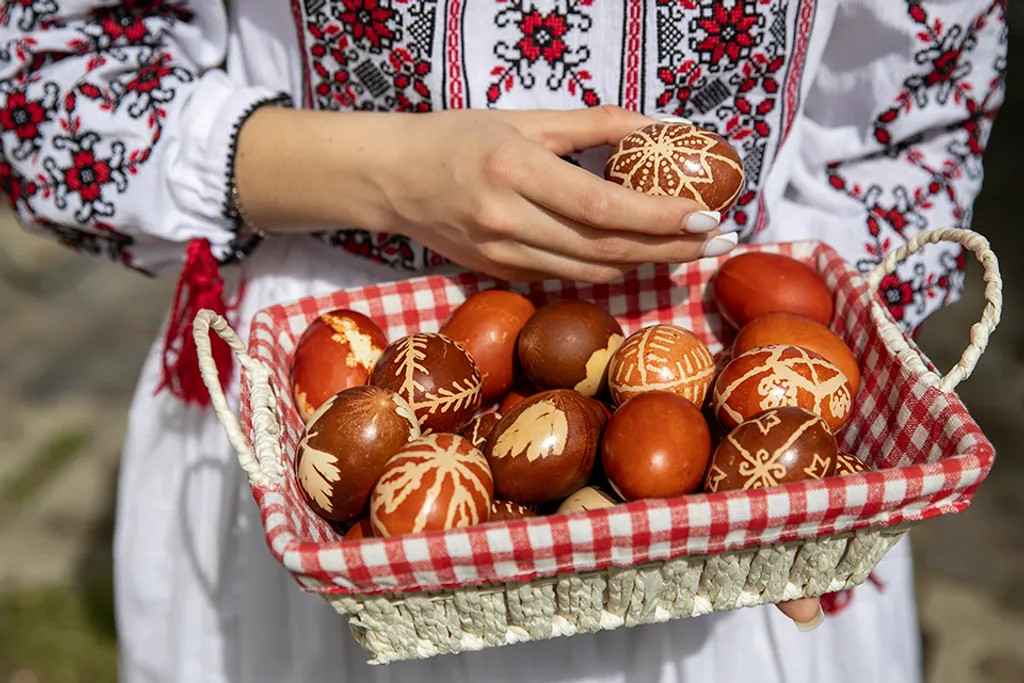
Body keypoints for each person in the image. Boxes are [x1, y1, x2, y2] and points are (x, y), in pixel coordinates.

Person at [0, 1, 1006, 682]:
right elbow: (51, 74)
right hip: (336, 370)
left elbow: (910, 95)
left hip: (717, 373)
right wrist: (383, 175)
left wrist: (819, 403)